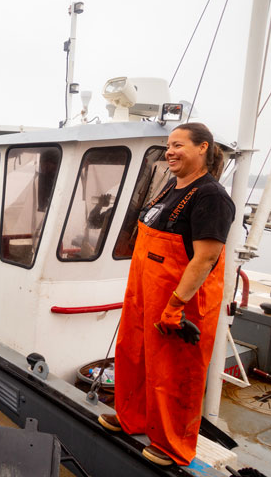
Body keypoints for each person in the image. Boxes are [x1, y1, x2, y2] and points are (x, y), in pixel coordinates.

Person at [97, 122, 235, 466]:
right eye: (168, 145)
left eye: (179, 145)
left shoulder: (211, 196)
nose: (170, 151)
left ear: (203, 148)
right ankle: (133, 418)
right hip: (145, 294)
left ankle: (173, 445)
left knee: (175, 374)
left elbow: (205, 257)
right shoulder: (170, 188)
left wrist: (176, 304)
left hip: (180, 301)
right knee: (134, 356)